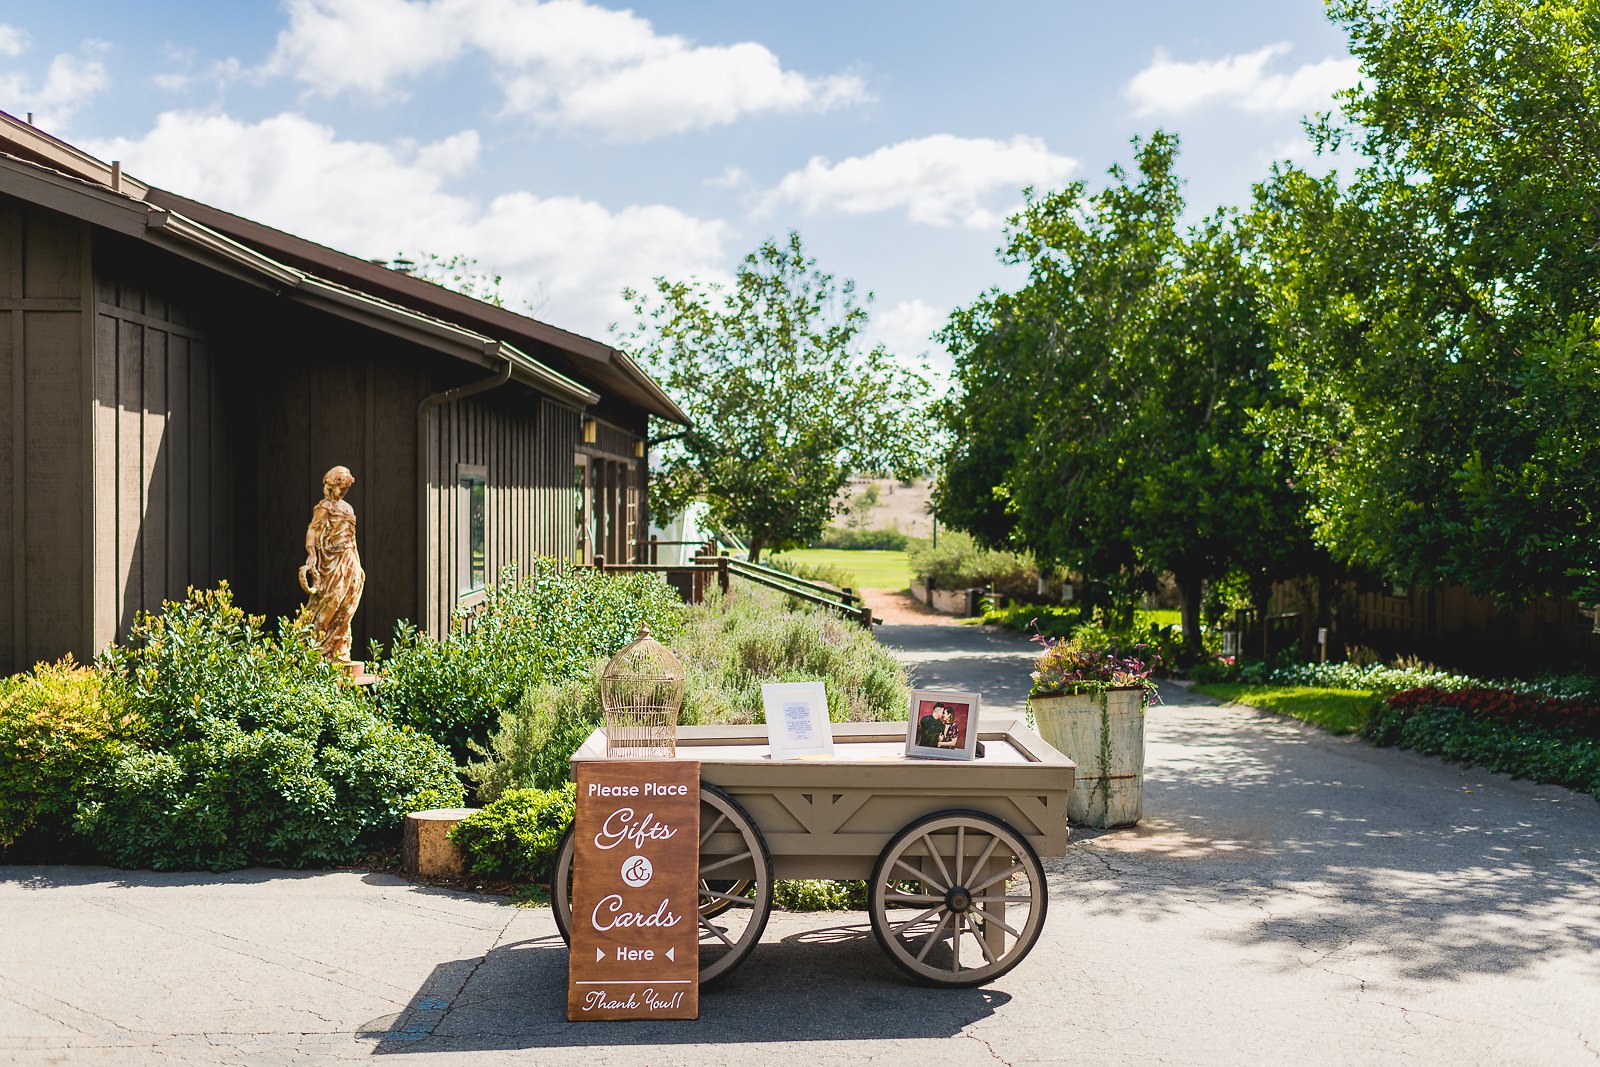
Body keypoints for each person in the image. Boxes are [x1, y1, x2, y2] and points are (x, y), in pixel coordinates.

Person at [298, 465, 365, 665]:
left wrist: (358, 566)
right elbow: (312, 532)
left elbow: (352, 540)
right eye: (341, 487)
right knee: (330, 602)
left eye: (346, 488)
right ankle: (316, 649)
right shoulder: (324, 508)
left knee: (347, 606)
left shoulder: (348, 508)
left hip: (349, 560)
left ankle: (339, 649)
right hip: (331, 562)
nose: (343, 492)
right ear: (332, 484)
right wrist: (311, 556)